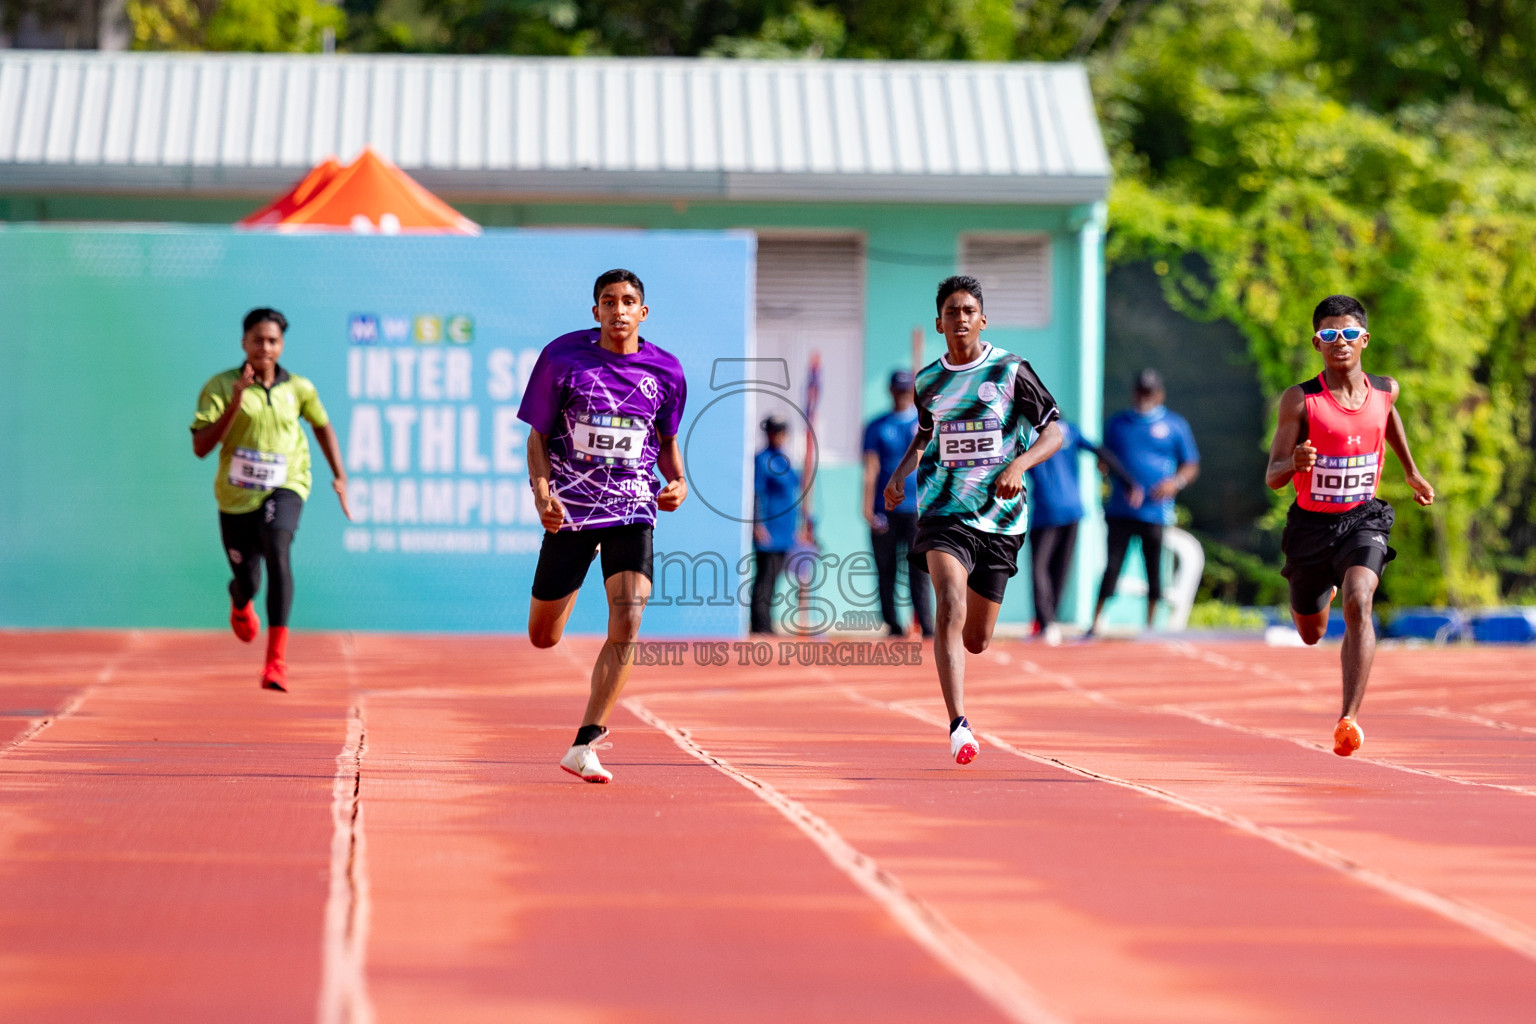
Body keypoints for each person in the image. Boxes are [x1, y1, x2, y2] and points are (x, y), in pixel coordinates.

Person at [519, 269, 688, 784]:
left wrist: (678, 481)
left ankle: (587, 741)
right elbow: (538, 438)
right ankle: (576, 566)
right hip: (571, 509)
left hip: (633, 508)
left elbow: (665, 443)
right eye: (609, 301)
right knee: (544, 638)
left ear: (643, 312)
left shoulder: (667, 372)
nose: (619, 310)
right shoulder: (562, 358)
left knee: (629, 619)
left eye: (629, 301)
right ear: (595, 311)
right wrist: (543, 493)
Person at [884, 276, 1063, 765]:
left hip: (1001, 521)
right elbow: (925, 436)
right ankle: (958, 723)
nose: (960, 319)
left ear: (982, 319)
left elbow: (1054, 433)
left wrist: (1018, 465)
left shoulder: (1010, 371)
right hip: (944, 512)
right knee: (949, 602)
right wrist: (900, 475)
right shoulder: (927, 382)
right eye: (951, 311)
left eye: (968, 310)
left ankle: (960, 653)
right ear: (939, 321)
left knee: (976, 638)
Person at [1264, 294, 1433, 756]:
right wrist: (1294, 462)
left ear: (1365, 340)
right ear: (1317, 343)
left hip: (1363, 518)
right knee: (1311, 632)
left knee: (1360, 599)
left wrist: (1411, 470)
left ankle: (1348, 719)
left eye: (1350, 334)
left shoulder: (1386, 389)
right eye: (1330, 336)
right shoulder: (1301, 400)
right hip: (1311, 528)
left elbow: (1388, 416)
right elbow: (1273, 475)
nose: (1341, 343)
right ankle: (1325, 586)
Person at [191, 308, 350, 692]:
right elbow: (200, 447)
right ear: (244, 343)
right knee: (248, 579)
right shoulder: (220, 386)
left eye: (273, 341)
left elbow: (321, 425)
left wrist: (339, 475)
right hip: (236, 500)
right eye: (258, 340)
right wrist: (234, 402)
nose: (265, 347)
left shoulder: (298, 388)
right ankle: (239, 598)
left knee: (279, 549)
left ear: (281, 346)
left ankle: (275, 664)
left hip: (286, 484)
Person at [1090, 369, 1200, 634]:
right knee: (1112, 566)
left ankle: (1151, 627)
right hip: (1120, 509)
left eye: (1149, 392)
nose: (1144, 397)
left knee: (1154, 569)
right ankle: (1095, 624)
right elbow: (1105, 459)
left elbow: (1191, 464)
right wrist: (1109, 471)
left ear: (1159, 394)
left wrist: (1175, 483)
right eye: (1141, 391)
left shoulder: (1175, 425)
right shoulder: (1118, 423)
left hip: (1155, 512)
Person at [1025, 420, 1139, 645]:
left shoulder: (1027, 433)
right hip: (1073, 508)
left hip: (1047, 508)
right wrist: (1128, 482)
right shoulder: (1069, 429)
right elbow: (1100, 451)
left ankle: (1045, 624)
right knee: (1061, 567)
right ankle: (1049, 623)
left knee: (1040, 567)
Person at [862, 370, 933, 638]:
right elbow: (871, 468)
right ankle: (893, 623)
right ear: (890, 391)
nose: (902, 395)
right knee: (886, 568)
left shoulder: (924, 423)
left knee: (920, 569)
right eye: (898, 390)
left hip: (918, 508)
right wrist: (867, 507)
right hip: (887, 509)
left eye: (907, 391)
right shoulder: (876, 426)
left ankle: (926, 624)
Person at [750, 414, 801, 634]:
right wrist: (758, 524)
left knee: (775, 578)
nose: (778, 436)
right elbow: (756, 494)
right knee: (765, 577)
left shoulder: (786, 460)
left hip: (785, 529)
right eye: (774, 431)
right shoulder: (761, 460)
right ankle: (760, 623)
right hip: (768, 529)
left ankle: (767, 621)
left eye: (781, 431)